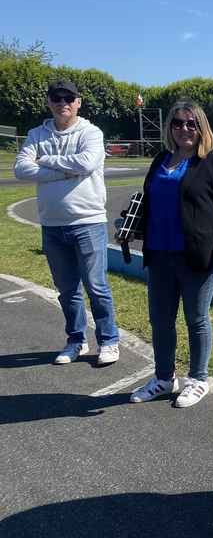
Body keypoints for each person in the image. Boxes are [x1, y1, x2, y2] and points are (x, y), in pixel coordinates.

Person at [128, 100, 213, 408]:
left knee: (196, 319)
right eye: (178, 123)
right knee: (160, 320)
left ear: (202, 128)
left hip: (197, 257)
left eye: (191, 124)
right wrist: (130, 227)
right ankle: (164, 378)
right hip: (159, 254)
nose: (184, 129)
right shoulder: (161, 160)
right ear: (170, 128)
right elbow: (150, 202)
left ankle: (198, 379)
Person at [14, 79, 120, 366]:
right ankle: (77, 340)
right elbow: (22, 168)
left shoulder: (91, 132)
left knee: (96, 286)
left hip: (88, 221)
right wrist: (63, 171)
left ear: (78, 102)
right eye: (57, 98)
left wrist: (45, 160)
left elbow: (86, 163)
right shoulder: (37, 133)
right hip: (52, 224)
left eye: (69, 99)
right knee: (67, 290)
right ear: (49, 102)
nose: (63, 104)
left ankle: (109, 340)